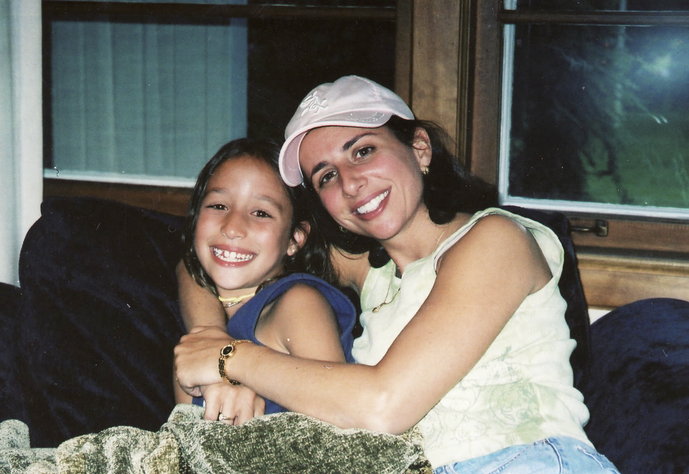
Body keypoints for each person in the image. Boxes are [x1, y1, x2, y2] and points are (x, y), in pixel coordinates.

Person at [174, 76, 619, 473]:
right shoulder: (374, 271)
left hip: (525, 459)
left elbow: (385, 405)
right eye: (326, 176)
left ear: (419, 147)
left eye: (363, 151)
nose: (349, 183)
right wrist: (208, 336)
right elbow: (210, 259)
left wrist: (231, 359)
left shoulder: (495, 240)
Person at [175, 137, 356, 423]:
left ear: (295, 240)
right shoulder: (196, 340)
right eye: (219, 206)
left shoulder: (298, 303)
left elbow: (339, 418)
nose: (232, 228)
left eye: (261, 213)